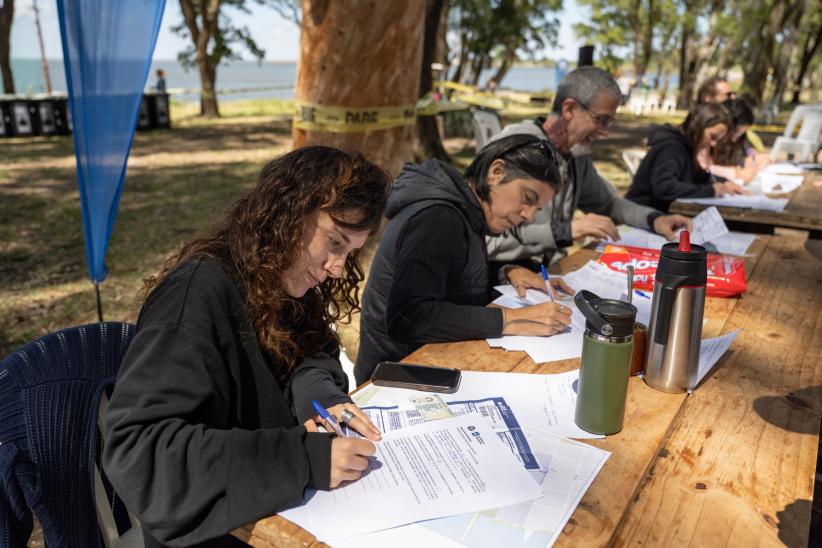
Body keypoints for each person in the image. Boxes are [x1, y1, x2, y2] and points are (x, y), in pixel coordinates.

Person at [103, 147, 388, 547]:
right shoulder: (195, 297)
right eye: (335, 242)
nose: (338, 268)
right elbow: (142, 453)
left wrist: (318, 393)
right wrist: (304, 458)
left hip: (281, 509)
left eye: (351, 253)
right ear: (290, 213)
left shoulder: (280, 273)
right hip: (217, 531)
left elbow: (309, 354)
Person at [354, 134, 574, 384]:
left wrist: (507, 272)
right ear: (497, 172)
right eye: (528, 198)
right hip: (393, 377)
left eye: (538, 209)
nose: (529, 216)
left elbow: (453, 275)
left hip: (430, 361)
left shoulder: (465, 211)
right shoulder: (438, 218)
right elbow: (409, 317)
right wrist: (511, 319)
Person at [485, 66, 692, 275]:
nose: (605, 132)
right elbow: (488, 239)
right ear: (569, 109)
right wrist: (566, 231)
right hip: (505, 281)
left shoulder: (576, 156)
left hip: (548, 277)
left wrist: (655, 219)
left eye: (609, 122)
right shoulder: (519, 149)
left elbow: (608, 204)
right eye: (600, 120)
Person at [625, 103, 747, 212]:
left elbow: (699, 176)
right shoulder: (672, 148)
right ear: (699, 127)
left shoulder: (687, 147)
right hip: (642, 215)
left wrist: (724, 182)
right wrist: (712, 190)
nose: (713, 144)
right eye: (713, 136)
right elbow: (664, 187)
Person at [711, 98, 771, 183]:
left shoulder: (741, 139)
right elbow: (707, 168)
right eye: (736, 131)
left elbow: (750, 151)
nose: (736, 137)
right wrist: (735, 172)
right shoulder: (712, 142)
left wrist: (755, 158)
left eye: (742, 133)